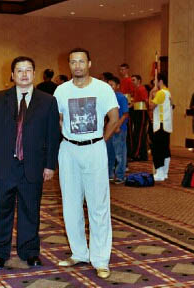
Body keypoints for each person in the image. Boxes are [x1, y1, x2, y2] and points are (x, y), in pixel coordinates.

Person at [0, 56, 60, 270]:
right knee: (0, 212)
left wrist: (50, 165)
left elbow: (52, 136)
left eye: (28, 70)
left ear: (34, 74)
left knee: (30, 211)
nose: (24, 74)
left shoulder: (48, 101)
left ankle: (30, 252)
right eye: (19, 70)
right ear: (12, 75)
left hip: (32, 167)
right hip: (2, 165)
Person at [54, 48, 119, 279]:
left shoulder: (102, 89)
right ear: (69, 65)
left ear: (90, 63)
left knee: (98, 206)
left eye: (82, 61)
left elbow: (114, 118)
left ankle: (101, 259)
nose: (78, 66)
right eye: (73, 62)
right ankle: (79, 253)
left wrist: (101, 140)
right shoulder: (61, 90)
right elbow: (59, 119)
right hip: (69, 150)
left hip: (95, 149)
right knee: (70, 204)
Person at [150, 73, 173, 181]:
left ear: (160, 81)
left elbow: (151, 106)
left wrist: (151, 95)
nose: (155, 83)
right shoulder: (168, 93)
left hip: (160, 125)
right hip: (167, 125)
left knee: (157, 149)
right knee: (165, 149)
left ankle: (159, 173)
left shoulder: (161, 93)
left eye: (156, 81)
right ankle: (164, 172)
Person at [107, 76, 129, 184]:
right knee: (109, 153)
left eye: (112, 85)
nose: (110, 87)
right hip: (110, 130)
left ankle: (120, 175)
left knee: (119, 153)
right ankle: (110, 174)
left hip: (119, 129)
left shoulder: (121, 97)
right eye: (108, 84)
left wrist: (118, 126)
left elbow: (125, 114)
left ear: (117, 86)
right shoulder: (107, 97)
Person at [131, 74, 149, 161]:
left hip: (141, 113)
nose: (132, 82)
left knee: (139, 134)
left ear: (139, 81)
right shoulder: (136, 89)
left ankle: (137, 154)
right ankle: (143, 155)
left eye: (134, 80)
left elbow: (146, 100)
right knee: (138, 134)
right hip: (137, 112)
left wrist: (149, 112)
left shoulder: (141, 89)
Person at [119, 63, 135, 160]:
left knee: (128, 129)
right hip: (122, 105)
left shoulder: (129, 81)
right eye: (121, 70)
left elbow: (133, 94)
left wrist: (130, 104)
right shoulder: (121, 81)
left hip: (127, 105)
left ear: (127, 70)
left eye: (124, 69)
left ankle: (130, 152)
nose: (122, 71)